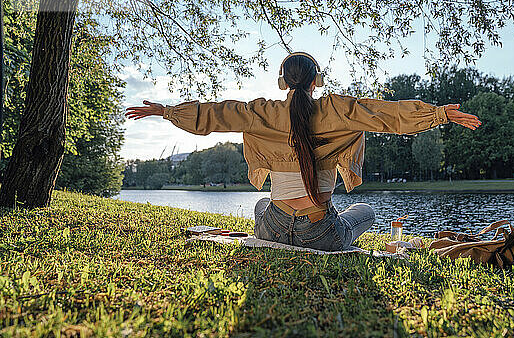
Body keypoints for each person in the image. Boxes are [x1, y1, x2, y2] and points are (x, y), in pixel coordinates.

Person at [125, 52, 481, 251]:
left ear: (283, 82)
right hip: (321, 233)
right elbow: (388, 115)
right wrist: (437, 114)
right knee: (367, 211)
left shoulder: (262, 111)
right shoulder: (339, 109)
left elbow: (215, 114)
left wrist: (167, 111)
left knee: (261, 204)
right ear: (316, 81)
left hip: (273, 228)